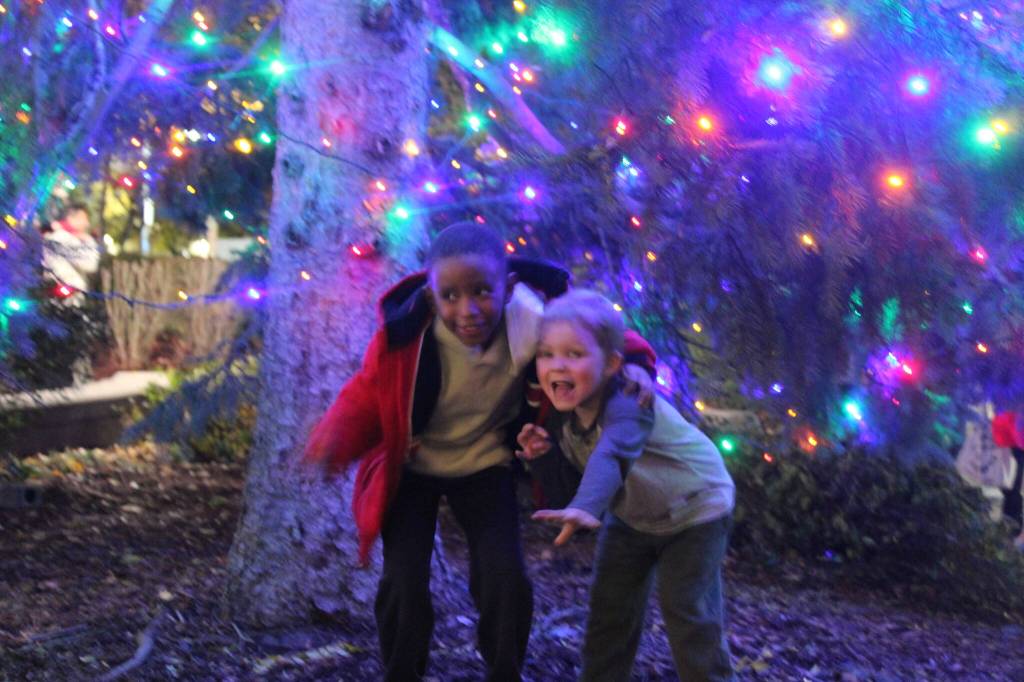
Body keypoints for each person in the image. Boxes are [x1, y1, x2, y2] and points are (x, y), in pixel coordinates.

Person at [303, 223, 655, 682]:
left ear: (507, 288)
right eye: (450, 296)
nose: (467, 311)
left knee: (503, 577)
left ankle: (505, 670)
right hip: (414, 466)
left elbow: (598, 335)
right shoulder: (407, 337)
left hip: (484, 464)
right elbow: (368, 392)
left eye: (482, 292)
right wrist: (335, 436)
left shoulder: (532, 320)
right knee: (404, 583)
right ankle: (401, 672)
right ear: (431, 296)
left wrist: (637, 363)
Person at [517, 289, 736, 682]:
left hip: (696, 507)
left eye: (575, 354)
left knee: (687, 611)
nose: (557, 366)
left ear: (611, 364)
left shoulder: (630, 399)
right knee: (609, 613)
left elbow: (614, 452)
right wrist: (543, 458)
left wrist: (587, 504)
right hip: (634, 517)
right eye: (547, 354)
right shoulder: (560, 415)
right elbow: (566, 489)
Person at [42, 202, 101, 296]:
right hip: (68, 297)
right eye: (84, 219)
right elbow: (90, 265)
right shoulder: (63, 238)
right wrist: (88, 240)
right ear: (71, 218)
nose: (87, 224)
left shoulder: (54, 237)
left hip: (57, 293)